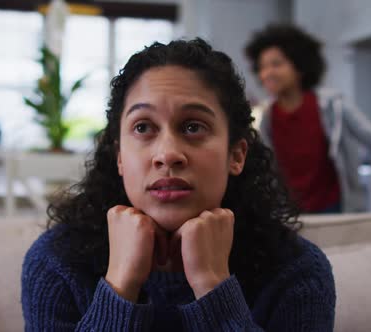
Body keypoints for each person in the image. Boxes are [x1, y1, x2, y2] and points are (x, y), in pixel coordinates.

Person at [21, 39, 336, 331]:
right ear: (119, 156)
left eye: (193, 126)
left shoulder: (296, 271)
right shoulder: (57, 261)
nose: (167, 154)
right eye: (143, 127)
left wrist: (213, 287)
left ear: (236, 155)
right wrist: (119, 287)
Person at [245, 24, 371, 213]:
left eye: (276, 64)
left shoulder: (332, 105)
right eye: (262, 67)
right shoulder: (268, 118)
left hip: (333, 210)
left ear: (300, 67)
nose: (266, 73)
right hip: (290, 214)